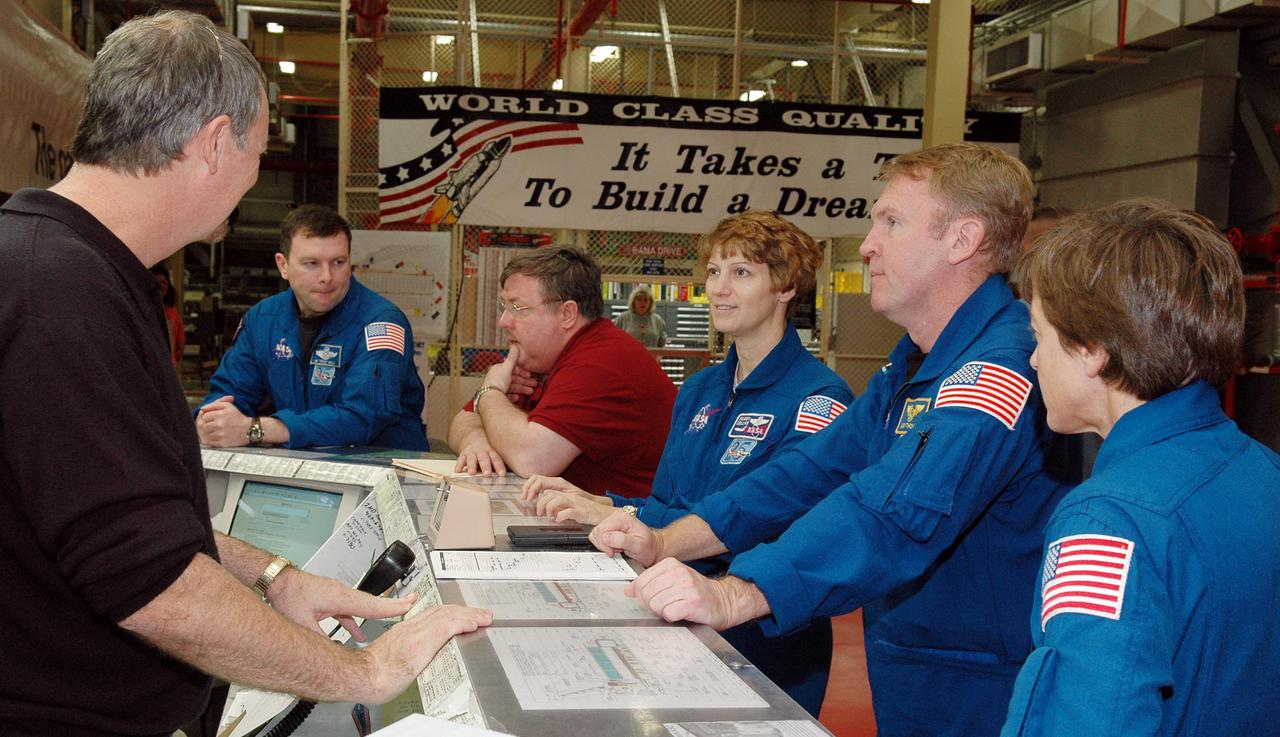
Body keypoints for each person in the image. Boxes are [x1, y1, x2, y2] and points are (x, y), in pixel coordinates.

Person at [0, 13, 489, 736]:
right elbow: (150, 581)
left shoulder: (74, 271)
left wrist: (274, 577)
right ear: (213, 144)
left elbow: (108, 512)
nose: (255, 174)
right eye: (258, 152)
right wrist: (367, 671)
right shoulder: (58, 295)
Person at [589, 143, 1072, 737]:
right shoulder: (914, 368)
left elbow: (890, 513)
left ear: (962, 240)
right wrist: (667, 541)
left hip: (979, 690)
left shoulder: (996, 368)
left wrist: (739, 594)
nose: (868, 244)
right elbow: (807, 474)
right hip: (918, 667)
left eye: (890, 222)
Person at [522, 211, 854, 716]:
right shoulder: (700, 390)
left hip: (764, 629)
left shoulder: (820, 399)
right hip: (674, 606)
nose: (720, 288)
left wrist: (628, 516)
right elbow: (669, 503)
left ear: (786, 287)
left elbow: (773, 518)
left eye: (741, 273)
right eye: (714, 272)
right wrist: (606, 505)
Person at [999, 199, 1280, 736]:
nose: (1032, 360)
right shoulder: (1263, 471)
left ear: (1092, 351)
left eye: (1038, 336)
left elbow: (1089, 719)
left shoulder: (1107, 523)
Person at [447, 247, 677, 498]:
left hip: (642, 529)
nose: (504, 321)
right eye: (504, 306)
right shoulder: (539, 358)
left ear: (567, 314)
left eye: (517, 308)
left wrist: (491, 391)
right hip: (587, 522)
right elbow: (462, 420)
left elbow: (531, 459)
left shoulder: (600, 363)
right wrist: (476, 441)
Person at [196, 204, 428, 451]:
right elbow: (229, 393)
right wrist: (209, 421)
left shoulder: (381, 324)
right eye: (312, 263)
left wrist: (260, 429)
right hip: (304, 470)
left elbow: (364, 416)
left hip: (383, 476)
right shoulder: (263, 319)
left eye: (338, 262)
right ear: (283, 265)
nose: (327, 276)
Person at [151, 262, 185, 367]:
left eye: (164, 283)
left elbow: (180, 342)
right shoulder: (143, 309)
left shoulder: (172, 311)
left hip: (168, 366)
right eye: (157, 283)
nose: (161, 286)